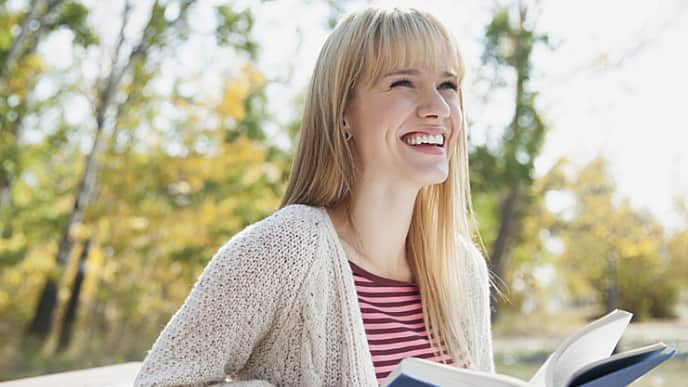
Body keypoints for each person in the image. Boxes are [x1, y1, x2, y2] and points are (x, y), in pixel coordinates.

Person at [134, 6, 494, 386]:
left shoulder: (463, 270)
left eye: (448, 86)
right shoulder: (284, 250)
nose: (437, 108)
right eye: (403, 83)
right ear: (343, 113)